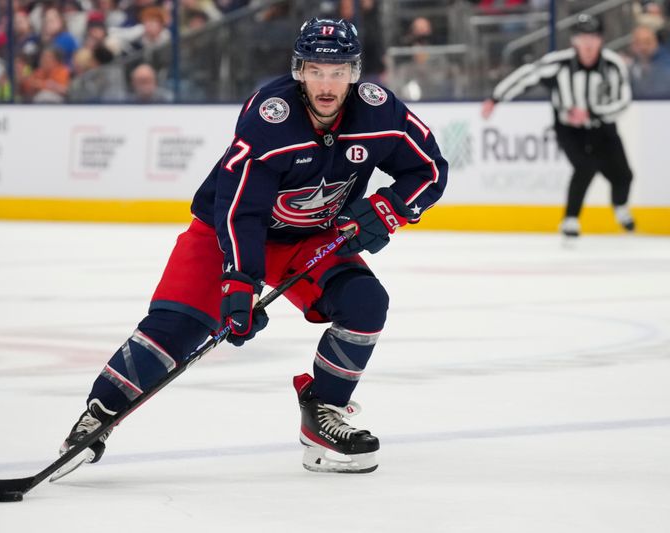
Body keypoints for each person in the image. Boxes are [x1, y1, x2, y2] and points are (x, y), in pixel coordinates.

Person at [57, 18, 448, 475]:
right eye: (316, 70)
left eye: (338, 70)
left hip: (310, 237)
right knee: (177, 328)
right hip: (228, 233)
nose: (327, 82)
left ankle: (323, 413)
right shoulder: (270, 117)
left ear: (355, 72)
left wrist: (389, 209)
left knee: (365, 304)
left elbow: (431, 169)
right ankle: (98, 414)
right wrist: (239, 283)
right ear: (299, 70)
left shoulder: (379, 112)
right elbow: (239, 210)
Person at [481, 13, 636, 237]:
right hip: (569, 129)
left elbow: (623, 102)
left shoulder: (613, 65)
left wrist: (592, 112)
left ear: (601, 39)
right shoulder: (559, 63)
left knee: (624, 175)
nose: (588, 43)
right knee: (585, 166)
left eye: (592, 37)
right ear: (574, 40)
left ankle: (620, 206)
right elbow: (526, 76)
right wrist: (496, 98)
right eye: (583, 37)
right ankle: (570, 219)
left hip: (602, 127)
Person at [628, 24, 670, 98]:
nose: (643, 47)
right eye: (638, 43)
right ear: (632, 45)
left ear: (656, 42)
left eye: (647, 42)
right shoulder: (629, 67)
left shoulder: (666, 66)